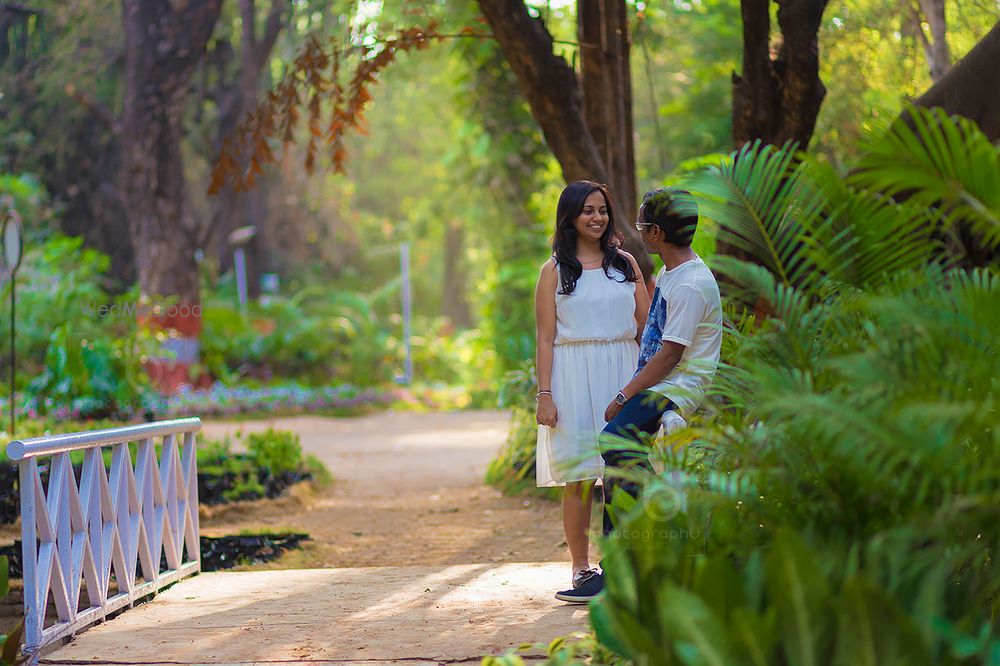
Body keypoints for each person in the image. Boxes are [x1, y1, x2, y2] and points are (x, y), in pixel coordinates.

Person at [554, 186, 723, 603]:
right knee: (618, 448)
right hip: (662, 382)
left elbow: (669, 355)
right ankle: (635, 554)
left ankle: (624, 564)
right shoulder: (672, 273)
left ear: (658, 234)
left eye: (644, 224)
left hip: (676, 387)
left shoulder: (690, 285)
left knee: (613, 439)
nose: (639, 230)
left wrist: (624, 395)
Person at [534, 180, 650, 600]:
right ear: (570, 217)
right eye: (587, 210)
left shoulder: (626, 265)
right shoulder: (554, 271)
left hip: (623, 370)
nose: (596, 217)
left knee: (622, 473)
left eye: (602, 209)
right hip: (572, 373)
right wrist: (544, 394)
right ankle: (581, 570)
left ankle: (622, 565)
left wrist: (651, 383)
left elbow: (647, 326)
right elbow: (545, 338)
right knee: (581, 478)